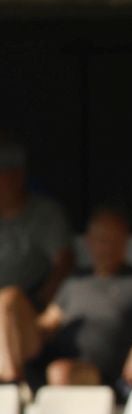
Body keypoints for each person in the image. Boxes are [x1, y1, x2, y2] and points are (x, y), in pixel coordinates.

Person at [18, 211, 132, 394]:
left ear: (125, 242)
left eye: (115, 241)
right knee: (9, 300)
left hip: (102, 375)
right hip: (50, 362)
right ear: (89, 241)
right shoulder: (74, 282)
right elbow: (46, 325)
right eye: (102, 240)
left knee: (60, 371)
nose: (108, 248)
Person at [0, 135, 74, 384]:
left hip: (29, 311)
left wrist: (44, 302)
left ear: (19, 176)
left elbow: (64, 264)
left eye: (7, 173)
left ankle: (10, 383)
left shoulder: (44, 214)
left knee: (6, 300)